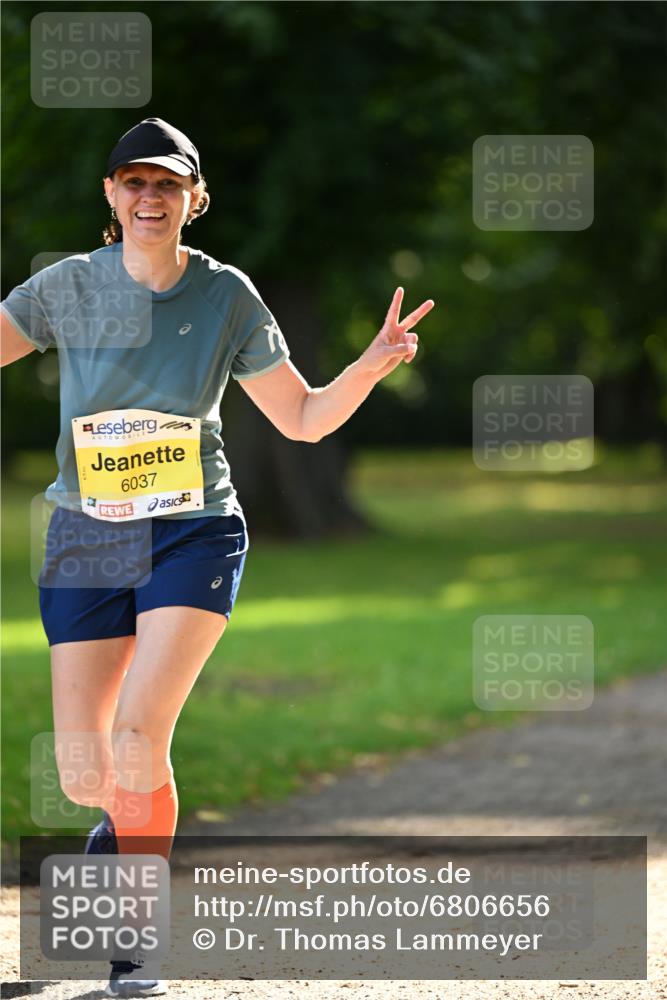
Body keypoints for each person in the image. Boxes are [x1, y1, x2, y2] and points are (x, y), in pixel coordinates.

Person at [0, 117, 434, 998]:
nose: (149, 197)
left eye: (168, 184)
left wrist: (368, 365)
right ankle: (116, 838)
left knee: (138, 737)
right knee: (86, 773)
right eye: (134, 182)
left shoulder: (225, 295)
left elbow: (301, 418)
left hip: (192, 528)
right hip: (86, 534)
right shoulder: (66, 287)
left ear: (193, 199)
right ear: (111, 194)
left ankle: (134, 940)